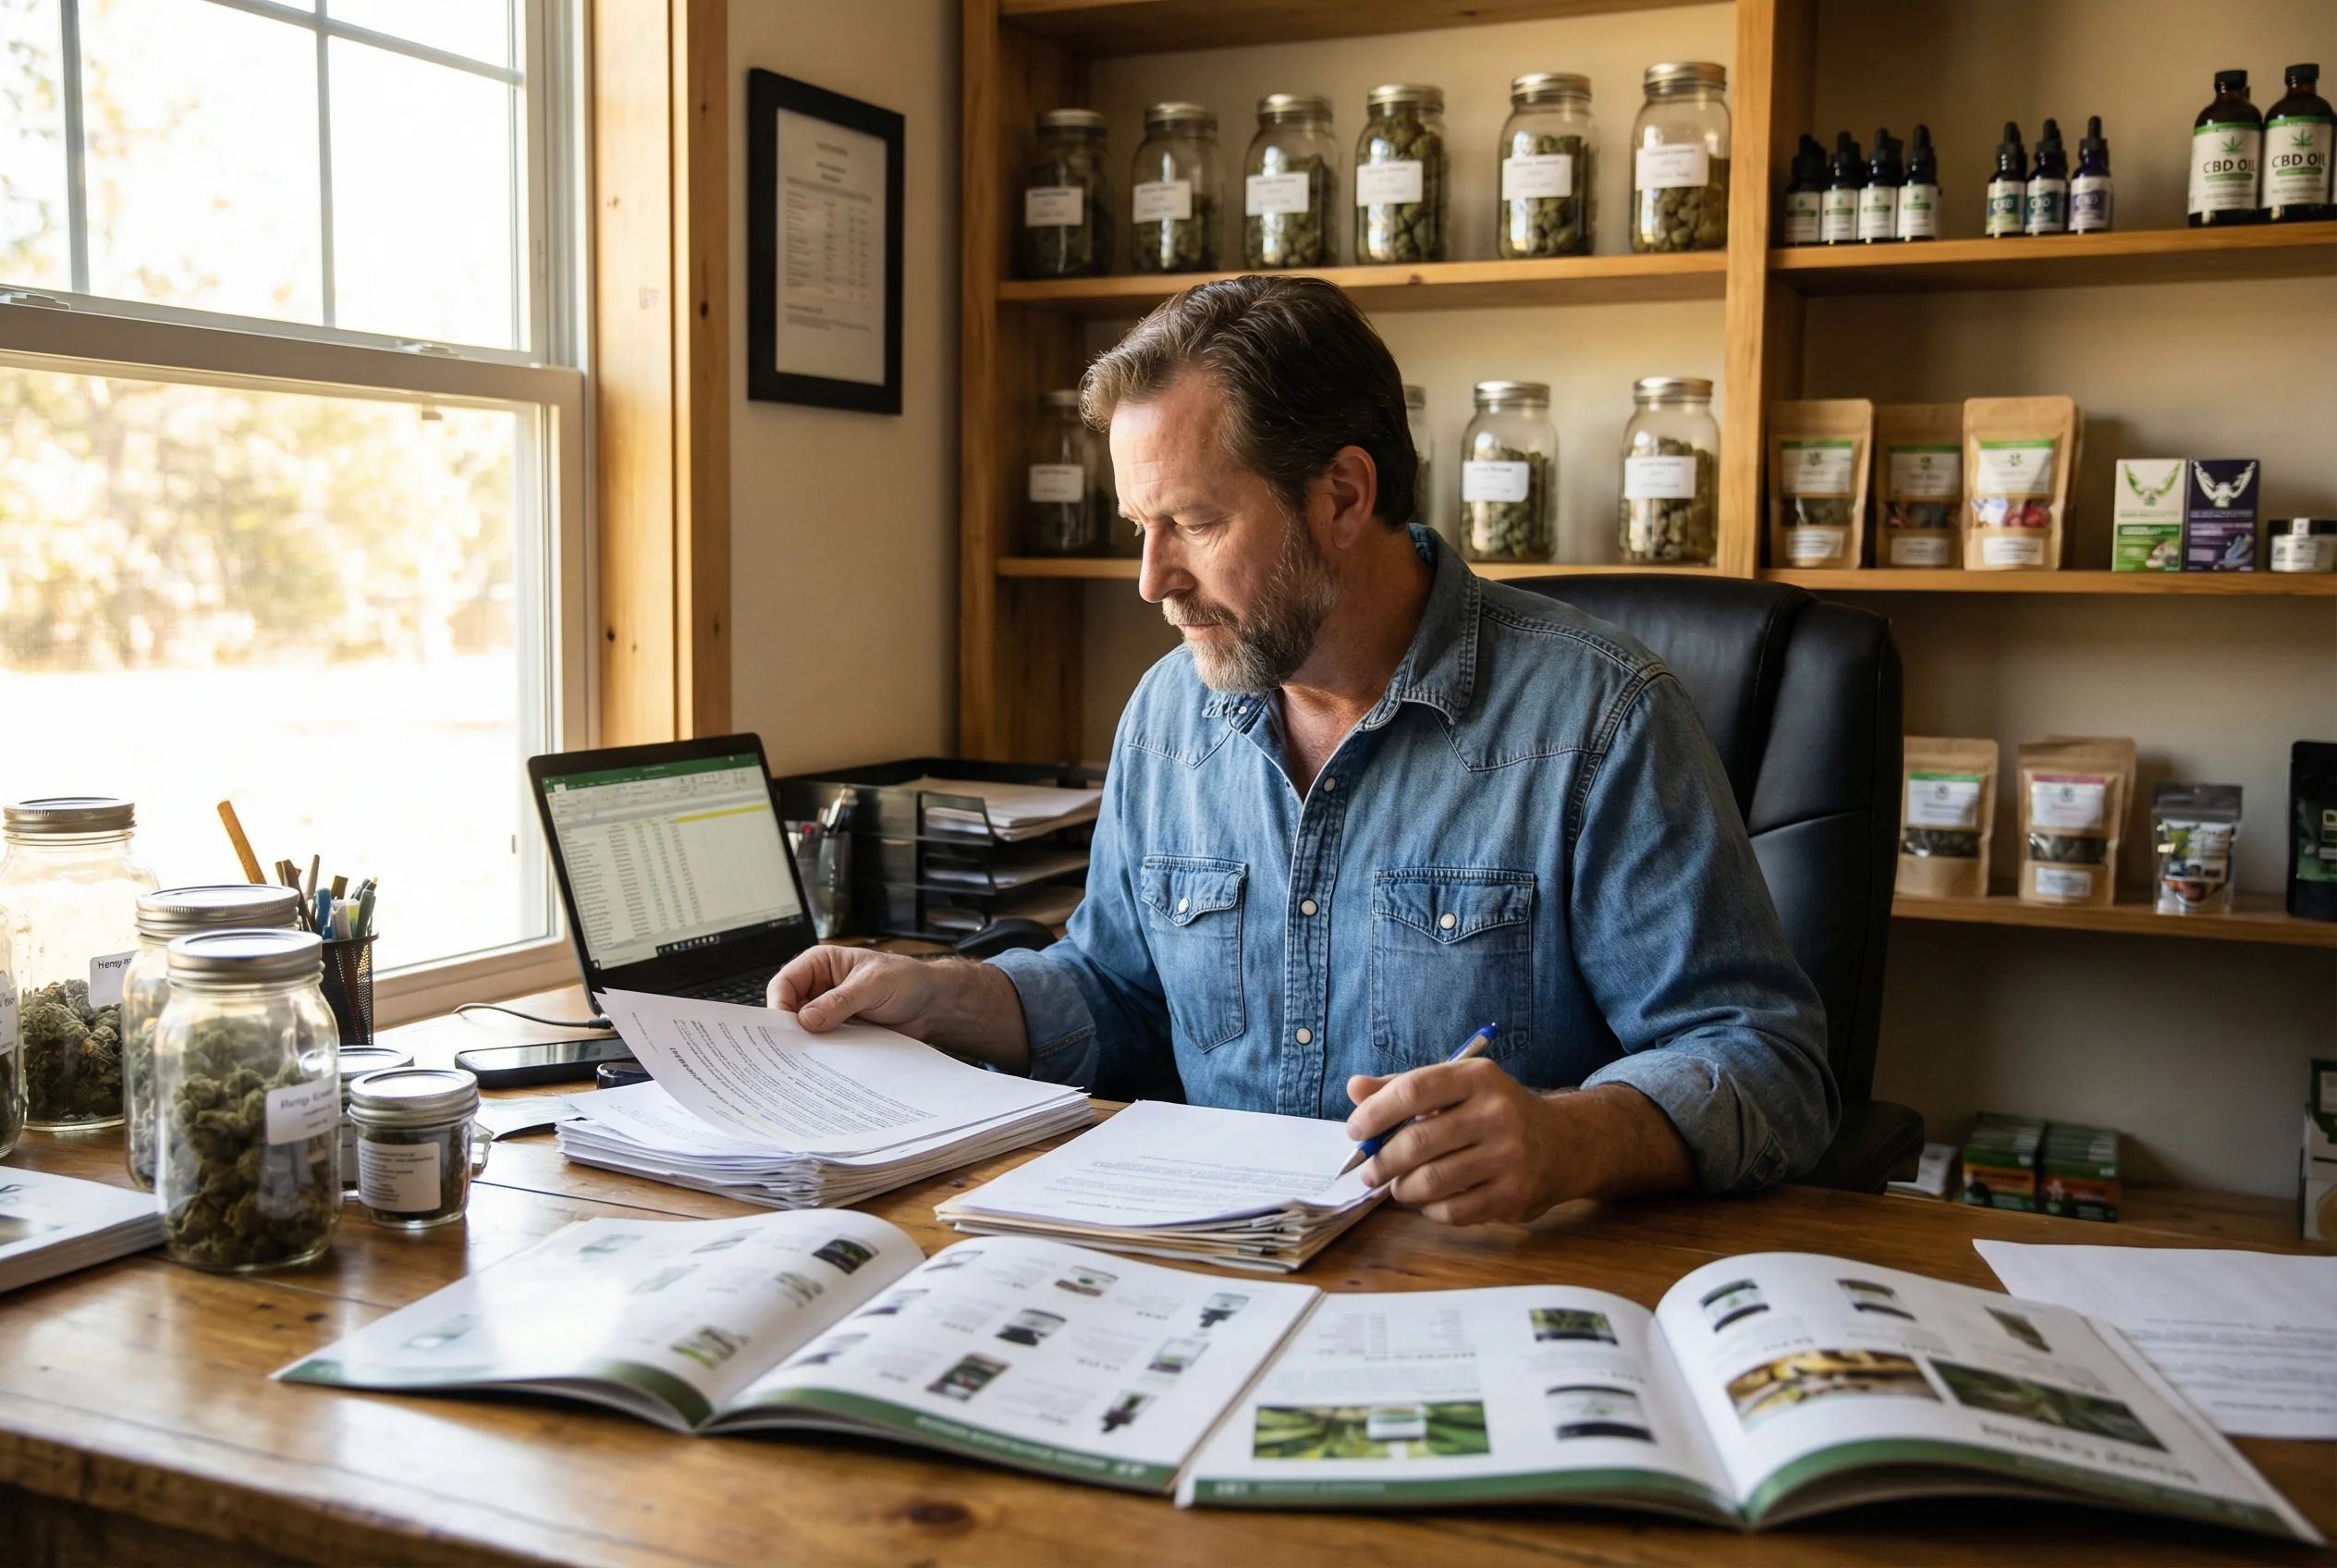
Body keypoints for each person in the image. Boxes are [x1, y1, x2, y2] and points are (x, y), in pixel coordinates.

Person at [773, 275, 1837, 1226]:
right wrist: (939, 994)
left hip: (1478, 1288)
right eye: (1137, 526)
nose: (1150, 580)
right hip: (1205, 1265)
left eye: (1190, 522)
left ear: (1341, 495)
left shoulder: (1600, 719)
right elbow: (1119, 996)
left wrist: (1570, 1139)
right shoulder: (1166, 717)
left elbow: (1768, 1068)